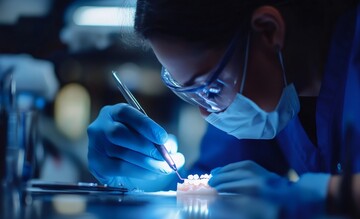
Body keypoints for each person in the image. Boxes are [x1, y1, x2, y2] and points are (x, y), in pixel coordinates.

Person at [87, 0, 360, 206]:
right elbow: (216, 183)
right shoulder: (264, 97)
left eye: (211, 87)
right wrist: (144, 173)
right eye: (191, 93)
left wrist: (315, 193)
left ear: (267, 31)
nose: (206, 111)